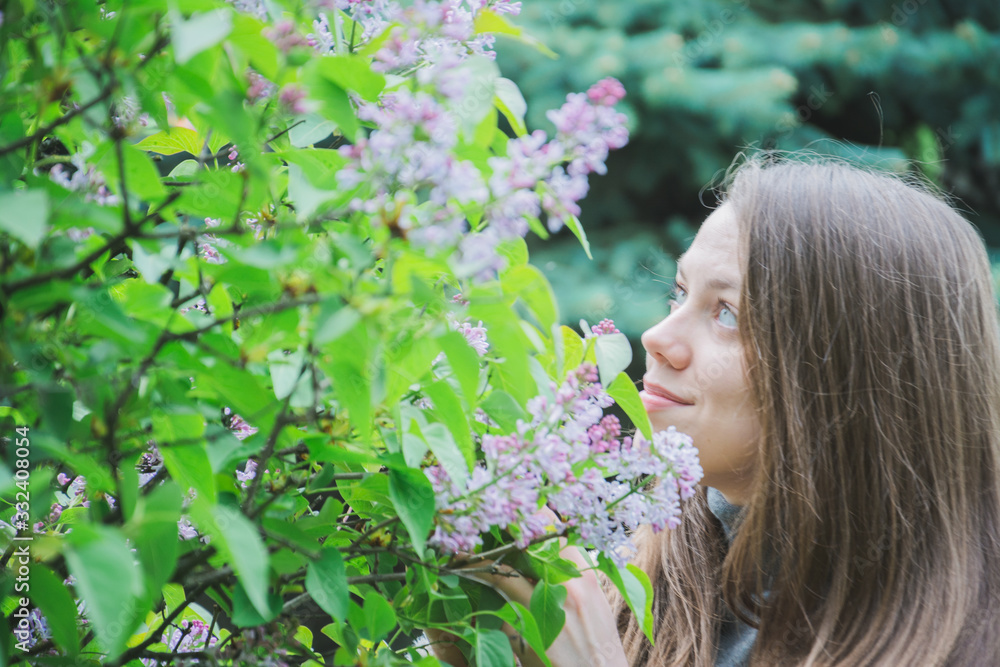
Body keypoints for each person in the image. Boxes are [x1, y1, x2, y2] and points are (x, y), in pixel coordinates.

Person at [433, 155, 1000, 666]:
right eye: (679, 294)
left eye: (726, 313)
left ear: (848, 374)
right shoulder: (639, 577)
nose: (656, 337)